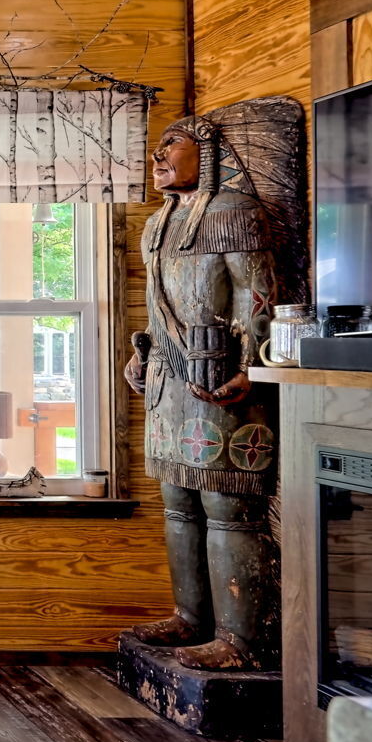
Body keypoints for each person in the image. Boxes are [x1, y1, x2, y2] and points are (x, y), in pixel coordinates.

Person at [124, 97, 306, 672]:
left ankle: (240, 637)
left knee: (226, 502)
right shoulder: (158, 224)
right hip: (169, 379)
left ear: (208, 154)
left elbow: (259, 295)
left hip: (221, 374)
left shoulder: (234, 211)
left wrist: (249, 366)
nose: (158, 155)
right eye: (157, 148)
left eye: (172, 145)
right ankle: (192, 617)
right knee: (177, 501)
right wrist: (144, 350)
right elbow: (160, 304)